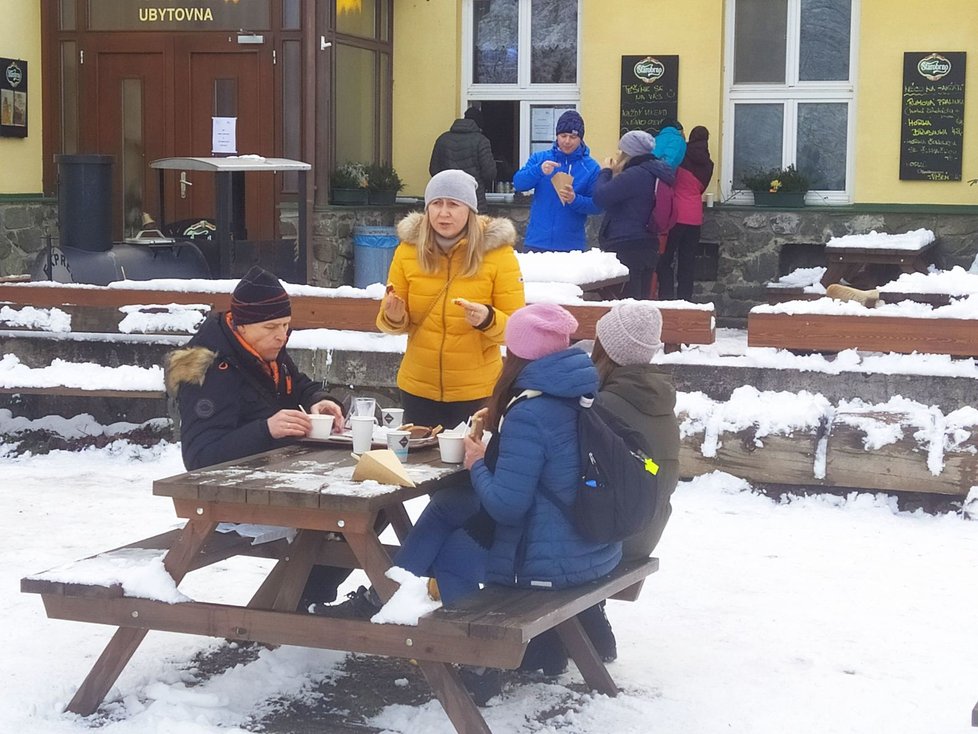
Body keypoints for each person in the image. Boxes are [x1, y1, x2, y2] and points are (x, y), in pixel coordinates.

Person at [331, 303, 619, 703]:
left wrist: (478, 461)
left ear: (517, 354)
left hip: (548, 555)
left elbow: (507, 506)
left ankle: (477, 661)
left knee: (451, 556)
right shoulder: (575, 390)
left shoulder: (531, 410)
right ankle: (385, 588)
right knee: (450, 502)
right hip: (582, 537)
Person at [165, 265, 347, 609]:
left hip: (278, 476)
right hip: (231, 496)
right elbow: (200, 459)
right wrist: (266, 429)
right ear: (241, 323)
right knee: (348, 514)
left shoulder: (261, 345)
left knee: (369, 509)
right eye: (272, 328)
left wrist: (317, 400)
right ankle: (296, 605)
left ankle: (301, 601)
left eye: (286, 326)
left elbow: (297, 382)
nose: (282, 336)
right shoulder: (205, 369)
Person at [376, 169, 525, 429]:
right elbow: (391, 321)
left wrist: (488, 319)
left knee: (469, 466)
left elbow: (517, 331)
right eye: (436, 203)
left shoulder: (499, 254)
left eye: (453, 204)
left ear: (469, 209)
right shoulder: (407, 251)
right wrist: (393, 316)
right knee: (419, 468)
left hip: (476, 393)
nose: (443, 213)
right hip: (418, 388)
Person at [593, 130, 676, 299]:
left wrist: (606, 171)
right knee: (641, 304)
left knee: (627, 308)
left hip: (627, 246)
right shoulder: (654, 172)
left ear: (627, 153)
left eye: (620, 150)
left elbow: (600, 197)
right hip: (648, 246)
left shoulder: (635, 174)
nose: (617, 154)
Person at [512, 110, 602, 252]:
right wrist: (538, 170)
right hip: (536, 242)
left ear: (581, 139)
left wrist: (575, 199)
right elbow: (518, 183)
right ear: (556, 136)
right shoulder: (540, 158)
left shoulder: (591, 167)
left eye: (573, 137)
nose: (567, 141)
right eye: (563, 135)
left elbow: (597, 205)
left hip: (571, 246)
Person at [656, 125, 715, 300]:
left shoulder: (680, 155)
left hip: (675, 214)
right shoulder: (708, 164)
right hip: (694, 216)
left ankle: (666, 298)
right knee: (687, 262)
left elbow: (669, 177)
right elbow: (701, 188)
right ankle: (685, 301)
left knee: (666, 259)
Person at [429, 106, 498, 213]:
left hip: (447, 197)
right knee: (474, 228)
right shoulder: (481, 141)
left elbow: (434, 170)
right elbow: (489, 173)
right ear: (479, 124)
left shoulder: (443, 139)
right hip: (474, 198)